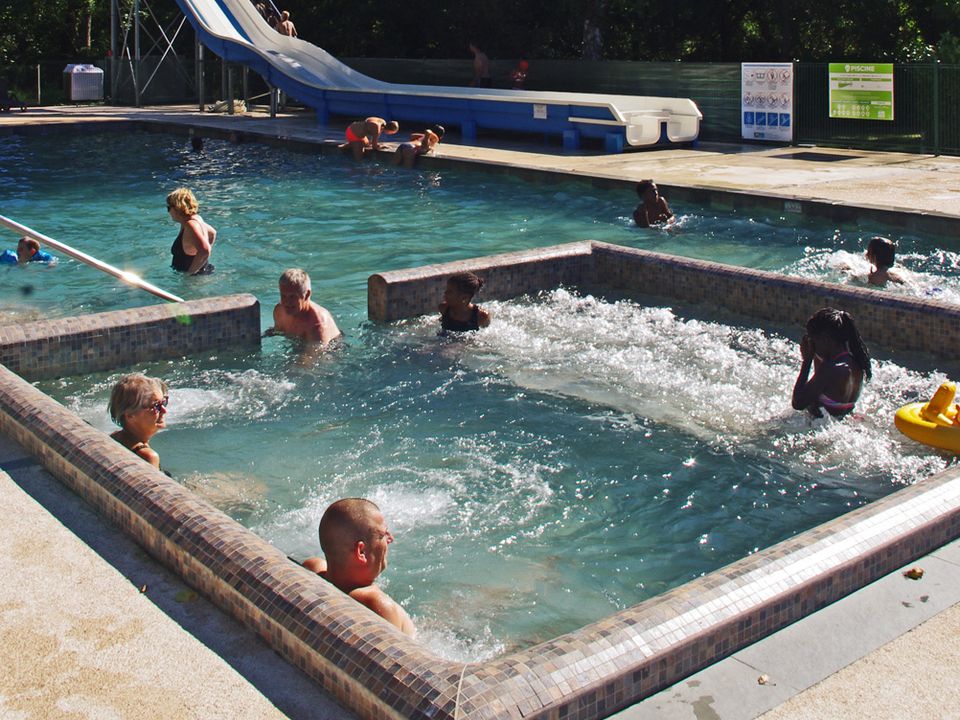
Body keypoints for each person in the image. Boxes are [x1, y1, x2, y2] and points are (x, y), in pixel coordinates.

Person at [302, 498, 416, 637]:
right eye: (382, 535)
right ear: (361, 552)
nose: (390, 539)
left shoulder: (312, 570)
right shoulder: (375, 603)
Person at [792, 308, 872, 418]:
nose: (812, 347)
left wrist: (807, 360)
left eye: (813, 341)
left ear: (825, 340)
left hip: (822, 427)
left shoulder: (830, 369)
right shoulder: (855, 361)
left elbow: (798, 403)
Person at [266, 268, 342, 345]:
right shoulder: (280, 311)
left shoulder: (318, 325)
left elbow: (313, 356)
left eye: (292, 296)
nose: (287, 302)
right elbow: (277, 332)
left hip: (331, 350)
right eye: (284, 296)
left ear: (307, 295)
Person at [108, 374, 169, 469]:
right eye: (156, 406)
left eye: (164, 402)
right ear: (130, 415)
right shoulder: (148, 457)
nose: (164, 410)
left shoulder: (114, 438)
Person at [167, 187, 216, 275]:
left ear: (177, 207)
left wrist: (190, 273)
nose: (168, 212)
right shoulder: (195, 219)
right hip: (198, 273)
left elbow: (205, 251)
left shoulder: (191, 225)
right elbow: (212, 233)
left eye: (168, 208)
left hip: (193, 278)